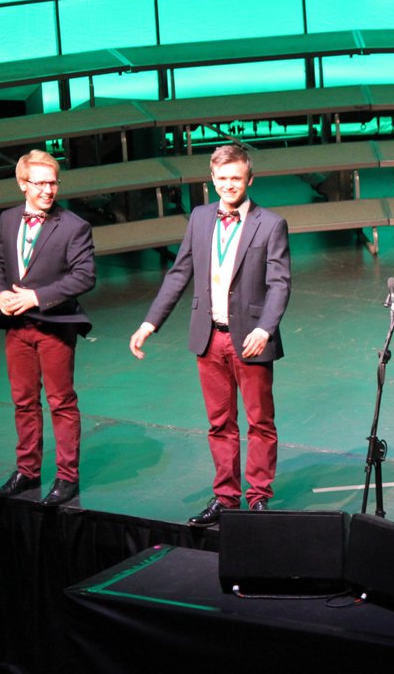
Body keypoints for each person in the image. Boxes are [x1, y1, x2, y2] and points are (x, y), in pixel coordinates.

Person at [129, 144, 291, 526]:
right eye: (222, 179)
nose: (229, 185)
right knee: (220, 423)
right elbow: (180, 273)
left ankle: (258, 497)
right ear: (212, 180)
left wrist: (265, 329)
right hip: (209, 337)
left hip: (250, 338)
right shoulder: (201, 218)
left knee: (259, 422)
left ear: (249, 179)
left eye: (236, 178)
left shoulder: (271, 224)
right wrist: (150, 323)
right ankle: (225, 497)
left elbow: (280, 284)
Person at [0, 149, 96, 507]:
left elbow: (84, 276)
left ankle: (67, 477)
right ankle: (27, 470)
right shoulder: (7, 220)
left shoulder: (74, 226)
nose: (48, 190)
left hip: (54, 324)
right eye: (40, 183)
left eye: (53, 182)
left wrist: (36, 297)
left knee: (61, 402)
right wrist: (0, 293)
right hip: (17, 327)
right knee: (23, 401)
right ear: (22, 184)